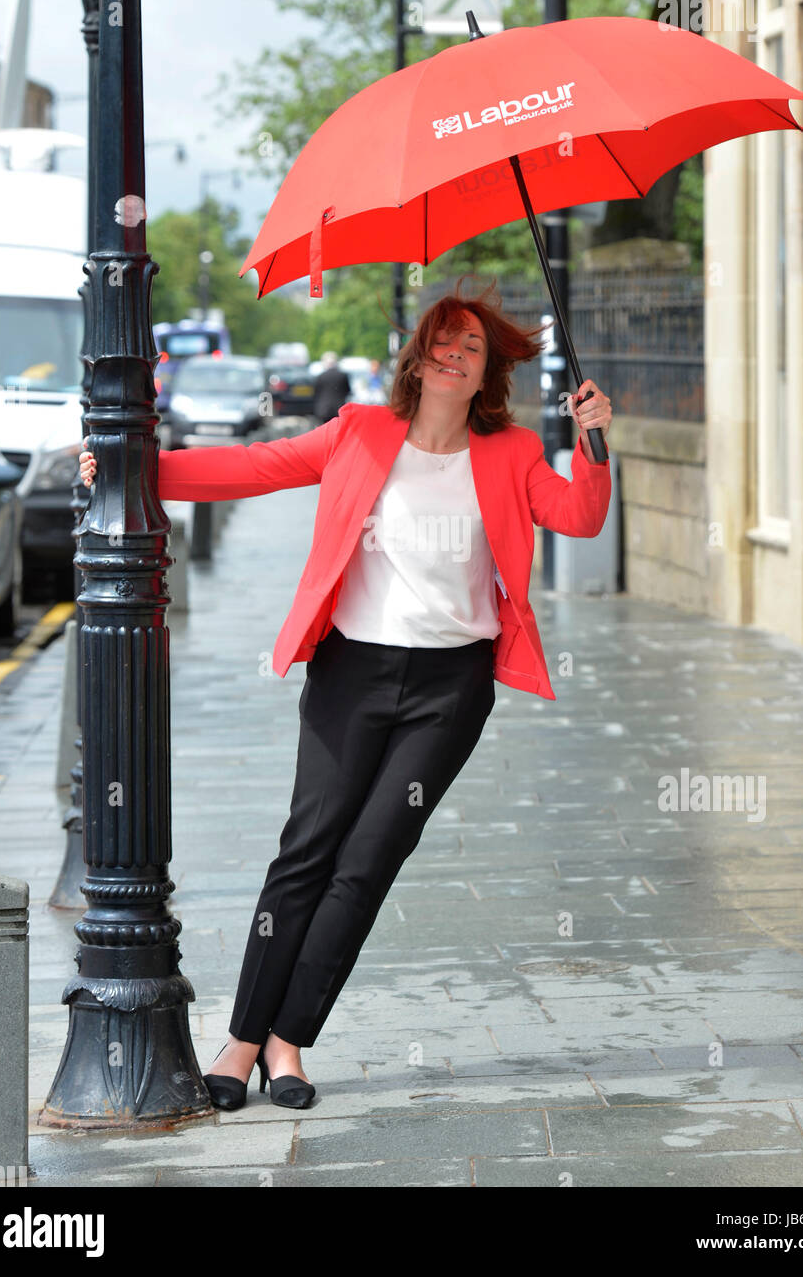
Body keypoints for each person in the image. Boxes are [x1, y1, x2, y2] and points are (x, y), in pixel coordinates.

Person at [79, 277, 612, 1112]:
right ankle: (242, 1038)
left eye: (472, 346)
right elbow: (255, 468)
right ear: (417, 356)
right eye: (443, 338)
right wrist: (133, 465)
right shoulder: (361, 433)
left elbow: (580, 518)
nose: (455, 352)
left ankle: (291, 1041)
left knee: (366, 866)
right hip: (353, 673)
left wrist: (591, 441)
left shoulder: (507, 454)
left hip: (451, 686)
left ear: (485, 376)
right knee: (307, 853)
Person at [311, 350, 351, 424]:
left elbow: (316, 393)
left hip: (323, 410)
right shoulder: (343, 376)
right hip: (339, 409)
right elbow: (348, 391)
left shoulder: (320, 377)